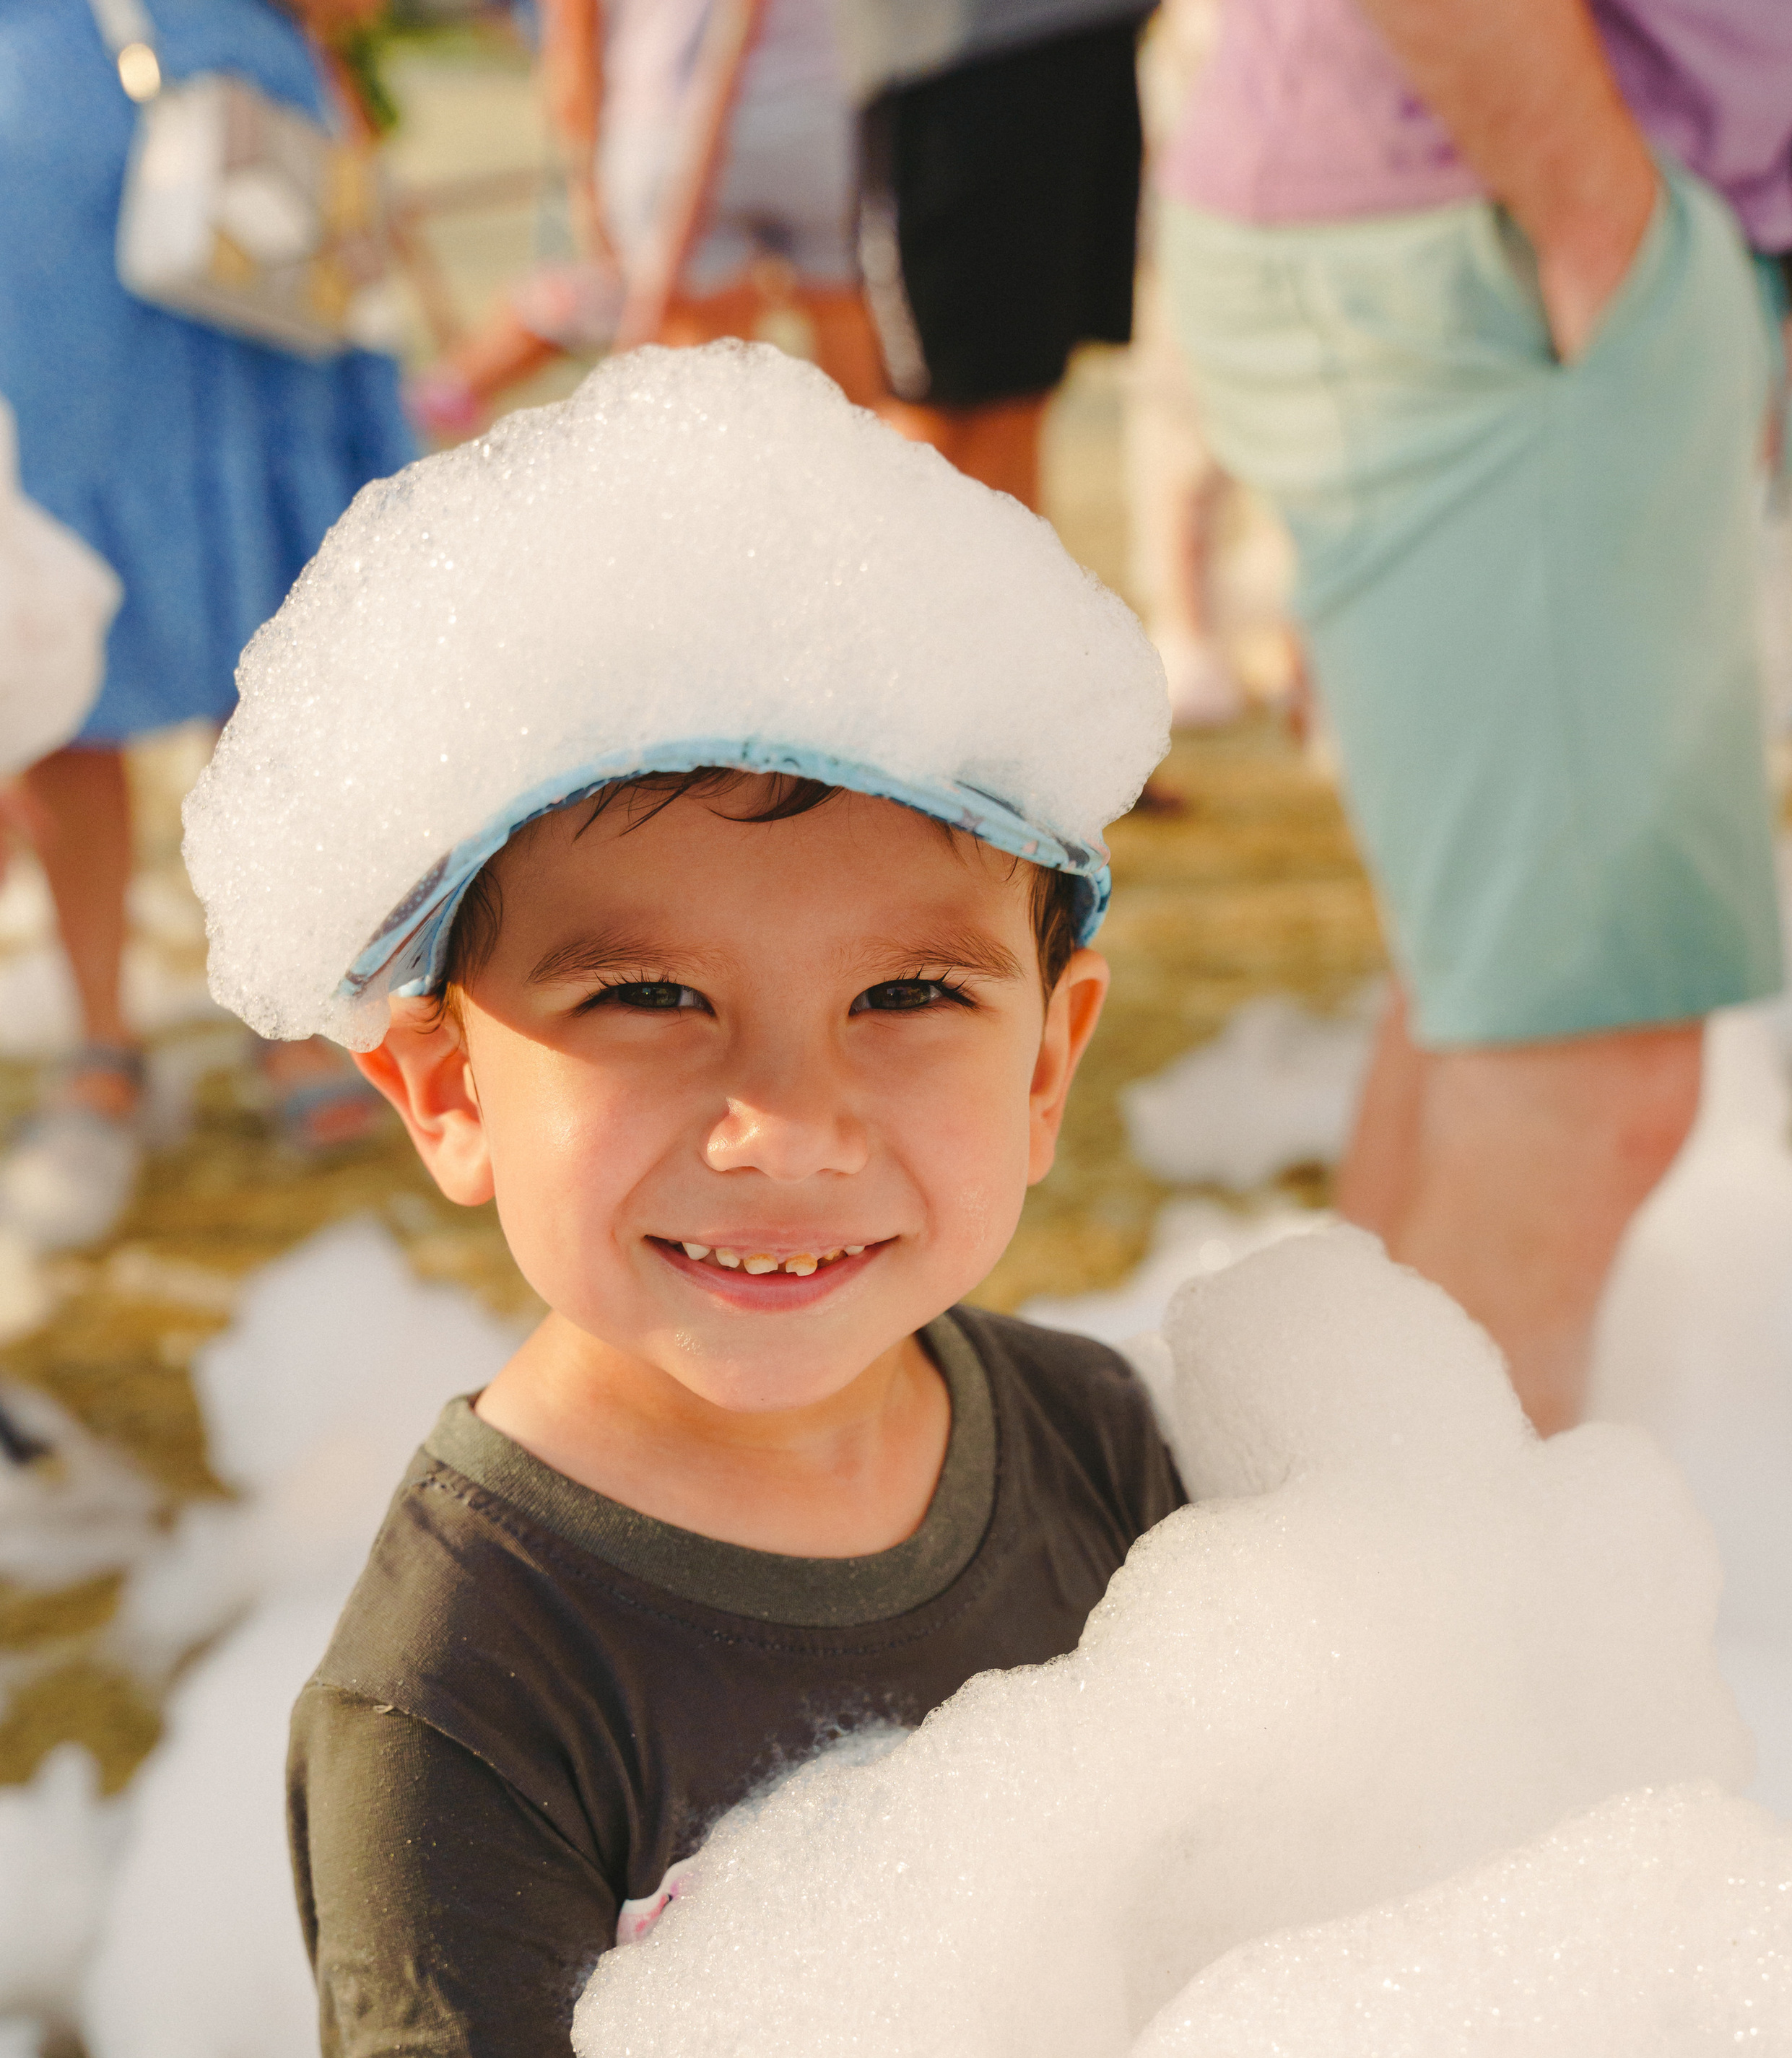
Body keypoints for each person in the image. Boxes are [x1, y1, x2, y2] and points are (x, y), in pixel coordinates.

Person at [183, 341, 1174, 2058]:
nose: (785, 1122)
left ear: (1052, 1061)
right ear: (438, 1086)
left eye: (909, 995)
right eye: (647, 996)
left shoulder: (1088, 1439)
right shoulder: (464, 1679)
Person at [1160, 0, 1792, 1432]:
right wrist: (1602, 217)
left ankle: (1324, 1555)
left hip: (1495, 220)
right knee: (1582, 1069)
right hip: (1488, 230)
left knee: (1491, 1005)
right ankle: (1422, 1633)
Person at [0, 0, 414, 1252]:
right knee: (58, 633)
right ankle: (99, 1034)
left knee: (268, 635)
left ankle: (284, 1005)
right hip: (35, 176)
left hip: (235, 128)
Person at [410, 0, 886, 437]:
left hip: (666, 123)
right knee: (861, 399)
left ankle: (448, 393)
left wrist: (586, 176)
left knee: (705, 402)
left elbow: (574, 41)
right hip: (824, 113)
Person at [844, 0, 1149, 507]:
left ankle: (1011, 588)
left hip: (1082, 38)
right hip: (948, 59)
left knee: (1021, 398)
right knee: (932, 417)